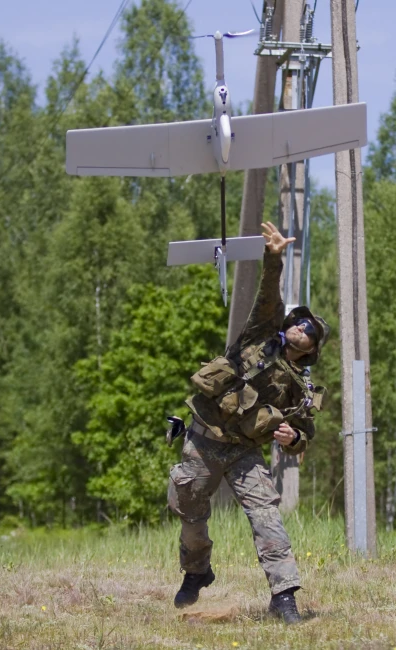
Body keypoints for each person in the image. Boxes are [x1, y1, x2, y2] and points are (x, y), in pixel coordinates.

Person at [167, 222, 329, 625]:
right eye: (300, 320)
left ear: (311, 350)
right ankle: (197, 571)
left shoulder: (300, 387)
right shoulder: (260, 335)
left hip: (243, 451)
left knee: (266, 514)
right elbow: (268, 296)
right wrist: (273, 257)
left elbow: (304, 434)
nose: (300, 327)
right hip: (203, 438)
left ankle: (284, 595)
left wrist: (292, 439)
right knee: (189, 511)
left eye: (309, 330)